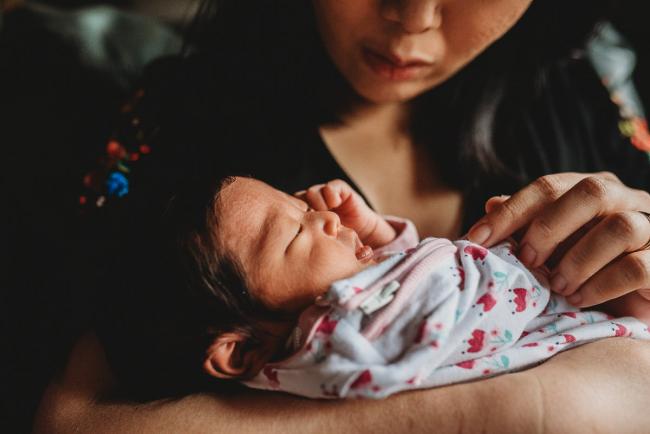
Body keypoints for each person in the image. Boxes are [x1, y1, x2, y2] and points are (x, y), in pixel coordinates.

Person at [33, 0, 650, 432]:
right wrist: (531, 410)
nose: (414, 20)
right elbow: (72, 420)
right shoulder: (188, 142)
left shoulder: (581, 98)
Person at [102, 175, 649, 400]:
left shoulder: (343, 316)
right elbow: (426, 301)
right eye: (293, 234)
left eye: (300, 207)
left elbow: (408, 289)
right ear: (240, 349)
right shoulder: (332, 351)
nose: (323, 217)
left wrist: (380, 238)